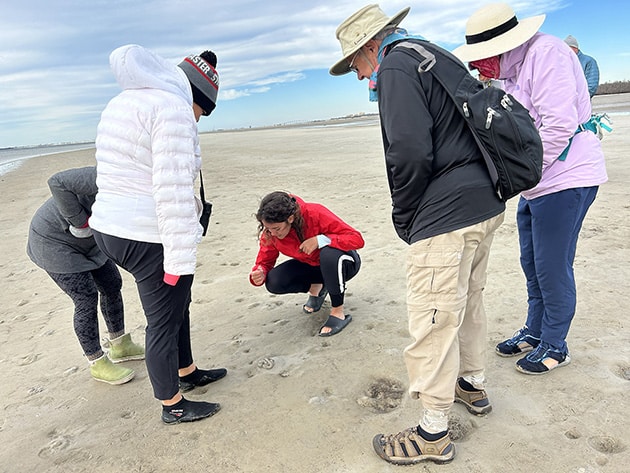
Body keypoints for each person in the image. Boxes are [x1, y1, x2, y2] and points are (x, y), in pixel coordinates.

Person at [330, 4, 506, 465]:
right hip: (484, 201)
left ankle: (432, 432)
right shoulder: (432, 53)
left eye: (355, 63)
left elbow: (408, 151)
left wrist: (406, 215)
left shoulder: (394, 66)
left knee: (433, 318)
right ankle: (472, 384)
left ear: (372, 46)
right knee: (468, 300)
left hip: (447, 215)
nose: (358, 74)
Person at [453, 4, 607, 375]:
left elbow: (558, 126)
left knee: (552, 266)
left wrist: (522, 175)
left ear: (501, 47)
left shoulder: (546, 53)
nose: (477, 68)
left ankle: (555, 344)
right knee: (532, 262)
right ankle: (535, 330)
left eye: (480, 59)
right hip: (537, 182)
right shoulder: (509, 73)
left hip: (566, 176)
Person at [89, 44, 227, 425]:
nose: (198, 119)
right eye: (203, 111)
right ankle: (172, 404)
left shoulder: (125, 101)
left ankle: (187, 370)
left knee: (176, 304)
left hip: (110, 228)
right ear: (196, 97)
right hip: (145, 232)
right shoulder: (173, 109)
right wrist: (180, 260)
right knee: (164, 317)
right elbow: (173, 188)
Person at [26, 166, 144, 385]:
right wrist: (80, 222)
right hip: (53, 241)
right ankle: (97, 362)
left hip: (90, 240)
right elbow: (57, 181)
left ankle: (120, 345)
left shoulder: (143, 184)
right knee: (86, 298)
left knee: (112, 284)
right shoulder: (105, 174)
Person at [249, 191, 363, 337]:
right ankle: (317, 287)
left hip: (345, 263)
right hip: (314, 266)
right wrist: (260, 271)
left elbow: (357, 239)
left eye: (277, 229)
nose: (273, 233)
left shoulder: (315, 213)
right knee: (274, 281)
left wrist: (320, 240)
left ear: (290, 218)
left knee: (328, 254)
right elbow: (265, 261)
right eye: (268, 228)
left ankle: (337, 311)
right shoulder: (271, 232)